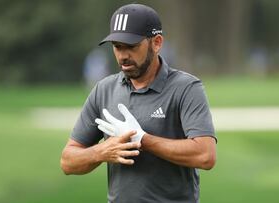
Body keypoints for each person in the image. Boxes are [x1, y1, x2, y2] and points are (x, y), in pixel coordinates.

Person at [60, 3, 217, 203]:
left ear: (157, 43)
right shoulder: (104, 90)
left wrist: (143, 140)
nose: (123, 55)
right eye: (117, 46)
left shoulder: (186, 88)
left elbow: (205, 155)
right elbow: (67, 161)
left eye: (132, 46)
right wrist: (102, 151)